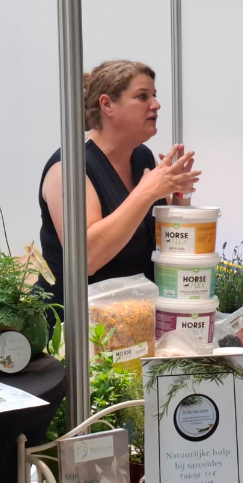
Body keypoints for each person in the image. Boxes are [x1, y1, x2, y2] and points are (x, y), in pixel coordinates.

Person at [37, 60, 200, 315]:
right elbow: (87, 258)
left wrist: (180, 194)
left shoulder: (142, 156)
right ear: (107, 104)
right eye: (142, 96)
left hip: (134, 318)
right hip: (76, 324)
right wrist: (146, 192)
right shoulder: (69, 168)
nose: (156, 104)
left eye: (154, 95)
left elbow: (165, 241)